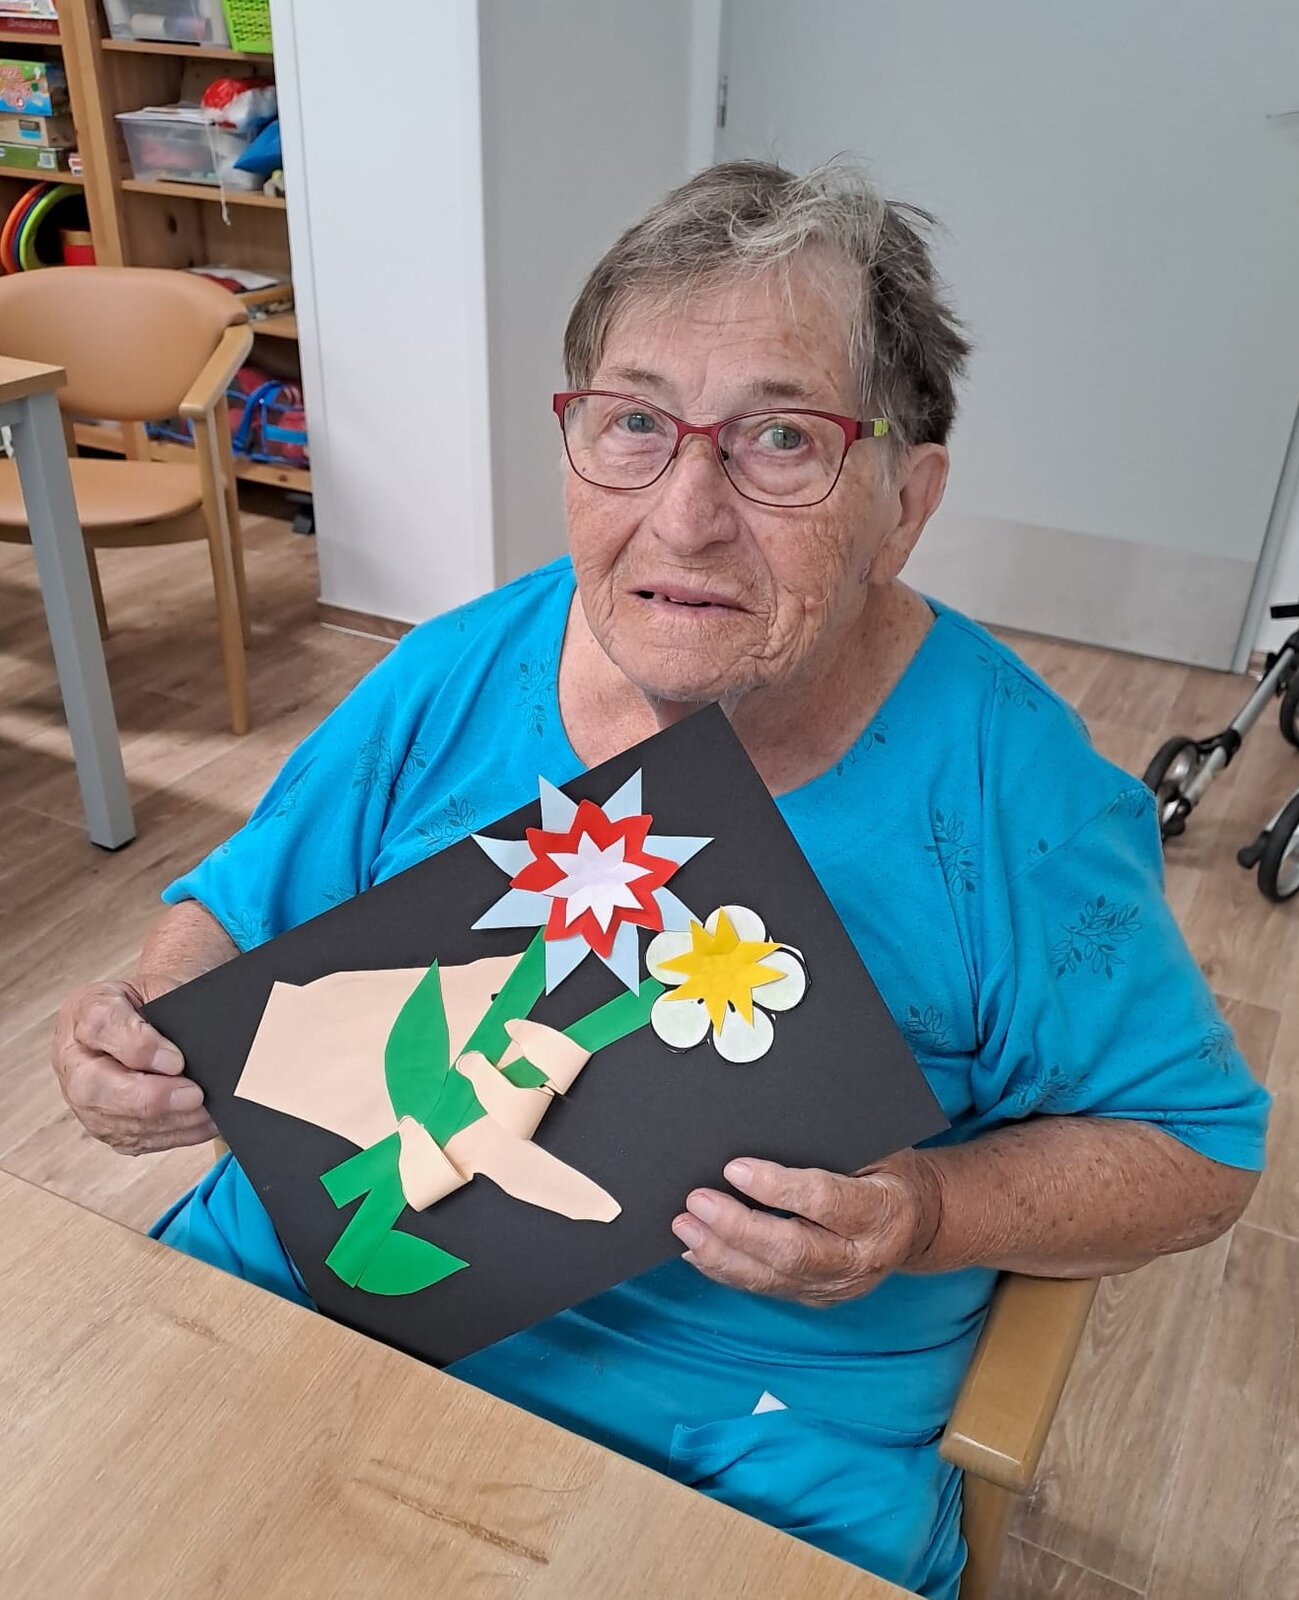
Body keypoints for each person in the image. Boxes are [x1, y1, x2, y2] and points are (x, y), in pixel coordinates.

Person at [51, 161, 1268, 1599]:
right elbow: (235, 908)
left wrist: (929, 1215)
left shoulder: (1021, 798)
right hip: (314, 1287)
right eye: (634, 422)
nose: (685, 518)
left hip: (739, 1417)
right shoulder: (457, 667)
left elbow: (1197, 1157)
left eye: (781, 439)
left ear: (905, 503)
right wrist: (151, 1030)